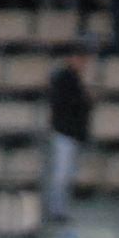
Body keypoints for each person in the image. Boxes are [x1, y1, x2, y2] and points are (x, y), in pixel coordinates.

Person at [45, 47, 92, 225]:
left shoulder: (72, 79)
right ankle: (56, 209)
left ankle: (60, 208)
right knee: (61, 173)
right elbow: (66, 105)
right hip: (64, 132)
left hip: (70, 133)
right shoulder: (65, 79)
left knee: (66, 173)